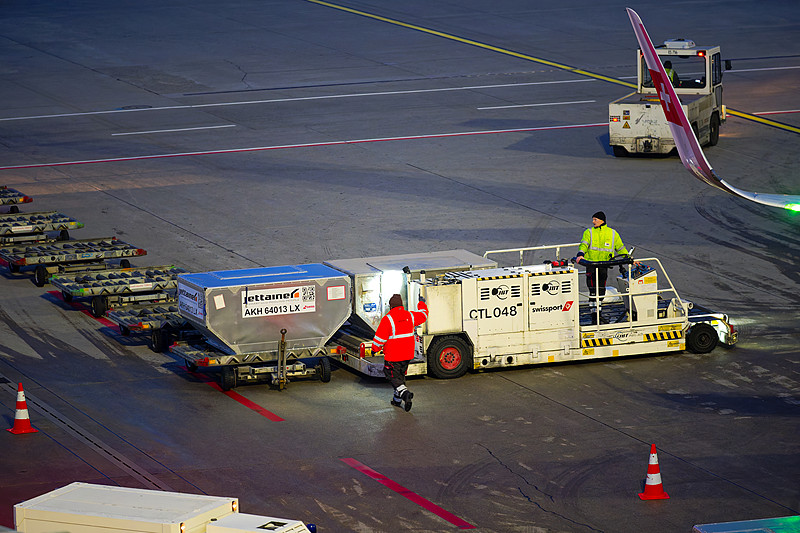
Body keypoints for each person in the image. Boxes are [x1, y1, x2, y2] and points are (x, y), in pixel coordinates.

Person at [371, 293, 428, 412]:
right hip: (407, 355)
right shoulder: (410, 316)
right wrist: (421, 303)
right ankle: (397, 400)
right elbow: (423, 315)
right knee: (400, 378)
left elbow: (379, 339)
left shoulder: (388, 319)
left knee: (391, 375)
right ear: (401, 305)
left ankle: (405, 394)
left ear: (391, 306)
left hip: (393, 356)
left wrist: (374, 349)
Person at [576, 211, 628, 306]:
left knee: (600, 291)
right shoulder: (589, 232)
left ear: (602, 220)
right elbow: (584, 244)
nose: (593, 221)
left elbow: (620, 248)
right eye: (593, 219)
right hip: (591, 265)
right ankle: (594, 313)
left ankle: (598, 310)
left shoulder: (612, 233)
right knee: (592, 290)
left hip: (603, 266)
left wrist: (630, 259)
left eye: (595, 219)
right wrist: (580, 254)